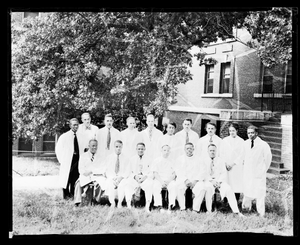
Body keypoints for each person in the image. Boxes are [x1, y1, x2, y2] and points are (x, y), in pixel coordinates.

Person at [203, 144, 244, 217]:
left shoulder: (221, 161)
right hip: (209, 181)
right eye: (210, 150)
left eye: (214, 150)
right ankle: (209, 210)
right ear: (208, 151)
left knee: (228, 189)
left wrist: (219, 182)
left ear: (216, 151)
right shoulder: (204, 161)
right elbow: (204, 173)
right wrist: (211, 181)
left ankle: (236, 211)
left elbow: (223, 173)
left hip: (219, 181)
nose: (212, 152)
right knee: (208, 189)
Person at [242, 125, 272, 217]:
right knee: (247, 190)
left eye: (252, 133)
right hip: (248, 172)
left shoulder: (263, 145)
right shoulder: (245, 143)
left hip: (258, 173)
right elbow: (243, 156)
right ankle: (247, 209)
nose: (250, 135)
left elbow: (268, 159)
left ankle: (260, 212)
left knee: (259, 193)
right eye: (248, 133)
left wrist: (262, 170)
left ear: (256, 133)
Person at [175, 142, 207, 212]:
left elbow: (203, 171)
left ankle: (195, 209)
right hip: (184, 180)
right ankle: (182, 208)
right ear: (184, 149)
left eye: (190, 148)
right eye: (187, 148)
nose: (189, 150)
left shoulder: (199, 159)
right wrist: (185, 180)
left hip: (195, 181)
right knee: (178, 186)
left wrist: (195, 181)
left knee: (202, 188)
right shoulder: (179, 159)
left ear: (193, 149)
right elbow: (178, 171)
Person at [55, 118, 81, 199]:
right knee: (66, 178)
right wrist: (62, 161)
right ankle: (66, 195)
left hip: (77, 160)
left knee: (75, 178)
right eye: (73, 125)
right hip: (67, 161)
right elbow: (58, 150)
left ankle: (73, 194)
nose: (75, 126)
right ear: (70, 125)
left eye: (77, 125)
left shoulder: (81, 136)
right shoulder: (64, 136)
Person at [73, 139, 103, 206]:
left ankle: (96, 200)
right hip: (85, 175)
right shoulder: (83, 156)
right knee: (78, 183)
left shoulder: (100, 156)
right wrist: (86, 173)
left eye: (96, 146)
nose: (94, 147)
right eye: (92, 146)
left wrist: (92, 171)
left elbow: (102, 168)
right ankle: (77, 201)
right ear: (88, 146)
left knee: (101, 183)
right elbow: (80, 169)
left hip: (96, 176)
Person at [126, 142, 154, 212]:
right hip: (135, 178)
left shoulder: (149, 159)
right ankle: (129, 204)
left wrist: (145, 177)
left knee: (150, 184)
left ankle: (147, 206)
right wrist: (135, 176)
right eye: (139, 149)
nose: (140, 150)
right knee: (128, 183)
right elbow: (129, 172)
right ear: (136, 149)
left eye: (142, 149)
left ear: (145, 149)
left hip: (145, 178)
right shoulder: (132, 159)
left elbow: (151, 172)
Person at [220, 123, 245, 202]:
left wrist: (233, 163)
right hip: (226, 166)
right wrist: (226, 163)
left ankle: (235, 201)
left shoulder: (241, 141)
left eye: (233, 131)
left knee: (236, 184)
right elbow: (221, 153)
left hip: (236, 166)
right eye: (230, 131)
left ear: (237, 131)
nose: (231, 132)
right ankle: (225, 202)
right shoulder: (225, 140)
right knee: (227, 183)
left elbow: (242, 155)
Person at [104, 140, 131, 208]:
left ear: (122, 147)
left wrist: (120, 178)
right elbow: (107, 170)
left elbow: (127, 171)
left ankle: (119, 202)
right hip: (112, 177)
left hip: (122, 177)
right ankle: (112, 202)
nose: (118, 148)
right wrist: (113, 178)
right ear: (114, 147)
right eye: (116, 147)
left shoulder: (126, 158)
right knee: (110, 183)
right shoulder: (109, 158)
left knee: (123, 184)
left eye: (120, 147)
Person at [151, 145, 177, 213]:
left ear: (170, 152)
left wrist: (168, 181)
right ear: (161, 151)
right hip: (159, 179)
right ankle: (159, 206)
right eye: (164, 150)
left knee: (173, 186)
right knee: (156, 186)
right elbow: (155, 173)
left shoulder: (173, 161)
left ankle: (171, 205)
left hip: (169, 180)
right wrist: (162, 182)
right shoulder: (156, 160)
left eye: (168, 150)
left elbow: (174, 174)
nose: (166, 152)